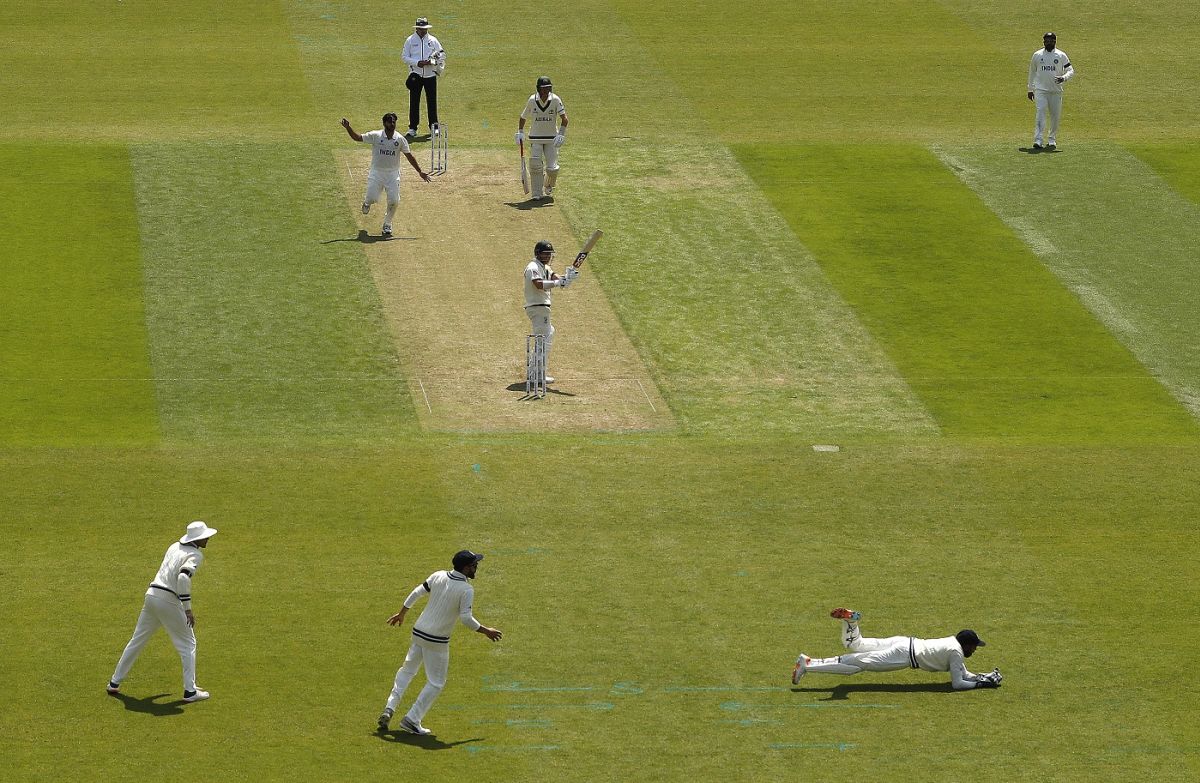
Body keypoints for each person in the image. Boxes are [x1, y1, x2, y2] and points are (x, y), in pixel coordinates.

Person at [377, 550, 503, 735]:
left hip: (418, 632)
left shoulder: (438, 575)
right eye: (474, 564)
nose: (477, 567)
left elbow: (417, 592)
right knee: (436, 682)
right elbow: (466, 619)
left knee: (407, 671)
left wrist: (402, 612)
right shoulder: (466, 589)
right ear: (466, 567)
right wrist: (486, 631)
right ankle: (412, 719)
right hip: (437, 640)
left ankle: (389, 708)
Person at [106, 520, 219, 703]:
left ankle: (114, 682)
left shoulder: (174, 546)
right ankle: (190, 691)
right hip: (168, 600)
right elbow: (183, 577)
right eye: (205, 537)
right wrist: (188, 609)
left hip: (151, 596)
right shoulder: (195, 555)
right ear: (198, 539)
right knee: (188, 644)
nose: (208, 540)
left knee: (137, 640)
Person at [791, 608, 1003, 691]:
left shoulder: (952, 644)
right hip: (902, 655)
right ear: (966, 644)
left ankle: (851, 623)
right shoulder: (956, 652)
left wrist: (982, 677)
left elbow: (963, 673)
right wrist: (982, 685)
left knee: (857, 645)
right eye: (974, 647)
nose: (974, 650)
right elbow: (958, 683)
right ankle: (808, 664)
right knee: (857, 664)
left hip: (904, 641)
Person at [341, 113, 431, 237]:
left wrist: (419, 171)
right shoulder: (376, 136)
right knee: (372, 198)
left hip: (392, 174)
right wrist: (348, 128)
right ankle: (367, 202)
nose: (392, 124)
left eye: (394, 122)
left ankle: (387, 224)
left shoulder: (400, 139)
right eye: (389, 122)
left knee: (394, 200)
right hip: (377, 172)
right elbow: (357, 137)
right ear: (384, 123)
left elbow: (409, 156)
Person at [523, 240, 577, 386]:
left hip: (541, 308)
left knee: (549, 333)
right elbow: (539, 284)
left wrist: (565, 279)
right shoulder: (532, 267)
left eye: (549, 254)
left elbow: (555, 278)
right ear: (537, 253)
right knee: (543, 339)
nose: (548, 257)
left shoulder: (544, 267)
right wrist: (558, 283)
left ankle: (536, 372)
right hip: (537, 307)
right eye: (545, 254)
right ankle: (537, 375)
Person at [515, 76, 568, 201]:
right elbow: (523, 117)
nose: (546, 92)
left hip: (551, 139)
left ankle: (548, 185)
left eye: (548, 88)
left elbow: (564, 118)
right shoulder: (532, 100)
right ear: (538, 89)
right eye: (543, 89)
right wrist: (520, 132)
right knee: (535, 165)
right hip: (535, 138)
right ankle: (536, 193)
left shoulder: (555, 99)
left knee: (552, 168)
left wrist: (561, 134)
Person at [1027, 32, 1074, 151]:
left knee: (1055, 116)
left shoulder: (1061, 55)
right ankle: (1038, 140)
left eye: (1051, 41)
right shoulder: (1037, 55)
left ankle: (1052, 139)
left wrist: (1064, 77)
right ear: (1043, 42)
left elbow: (1071, 70)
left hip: (1056, 91)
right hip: (1041, 91)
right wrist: (1030, 89)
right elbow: (1032, 72)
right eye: (1046, 41)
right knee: (1040, 113)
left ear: (1055, 41)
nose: (1048, 43)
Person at [402, 17, 445, 138]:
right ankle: (412, 128)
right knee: (414, 102)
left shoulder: (433, 40)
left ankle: (434, 128)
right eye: (421, 29)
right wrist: (417, 63)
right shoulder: (410, 40)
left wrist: (432, 61)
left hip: (430, 75)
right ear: (417, 28)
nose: (423, 31)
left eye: (425, 29)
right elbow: (404, 57)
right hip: (415, 75)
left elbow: (442, 54)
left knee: (432, 102)